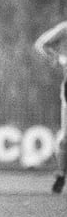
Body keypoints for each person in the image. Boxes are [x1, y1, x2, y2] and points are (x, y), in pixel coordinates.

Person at [35, 21, 67, 194]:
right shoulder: (65, 29)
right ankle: (61, 175)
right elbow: (41, 44)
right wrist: (57, 58)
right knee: (65, 138)